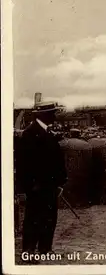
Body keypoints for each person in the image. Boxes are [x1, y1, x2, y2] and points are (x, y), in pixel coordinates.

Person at [17, 102, 67, 260]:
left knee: (50, 218)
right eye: (52, 113)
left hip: (50, 186)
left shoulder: (48, 133)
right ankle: (29, 252)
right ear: (42, 115)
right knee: (33, 220)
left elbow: (57, 161)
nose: (54, 115)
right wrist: (22, 190)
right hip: (35, 187)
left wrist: (60, 182)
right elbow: (23, 164)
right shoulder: (30, 134)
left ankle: (46, 249)